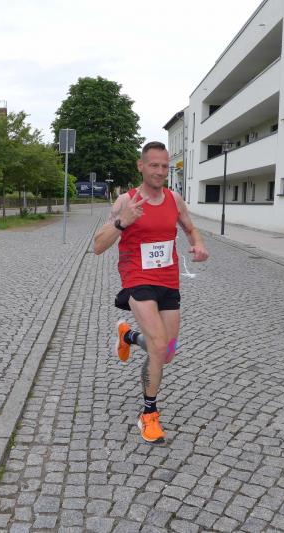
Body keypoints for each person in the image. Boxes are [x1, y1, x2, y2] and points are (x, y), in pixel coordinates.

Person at [93, 141, 210, 443]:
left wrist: (198, 244)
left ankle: (128, 337)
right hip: (138, 278)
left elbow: (190, 228)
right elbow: (98, 246)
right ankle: (149, 414)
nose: (160, 171)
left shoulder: (174, 199)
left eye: (164, 166)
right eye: (154, 165)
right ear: (141, 166)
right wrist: (122, 221)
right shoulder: (125, 201)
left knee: (167, 352)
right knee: (158, 346)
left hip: (168, 280)